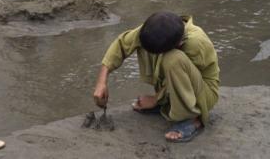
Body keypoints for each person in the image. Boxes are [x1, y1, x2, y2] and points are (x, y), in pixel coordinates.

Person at [92, 12, 220, 143]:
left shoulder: (196, 43)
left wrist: (155, 99)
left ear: (179, 44)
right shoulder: (158, 28)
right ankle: (168, 104)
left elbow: (186, 83)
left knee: (173, 59)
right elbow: (122, 44)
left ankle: (192, 119)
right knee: (143, 41)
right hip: (178, 84)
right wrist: (101, 82)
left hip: (202, 93)